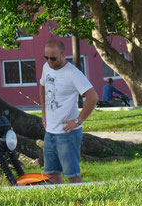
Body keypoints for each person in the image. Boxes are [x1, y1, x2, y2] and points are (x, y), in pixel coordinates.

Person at [39, 39, 99, 184]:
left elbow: (93, 97)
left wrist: (78, 120)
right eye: (46, 57)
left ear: (62, 54)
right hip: (50, 132)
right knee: (51, 174)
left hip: (67, 133)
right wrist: (44, 112)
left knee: (72, 175)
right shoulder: (46, 67)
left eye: (53, 58)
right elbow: (42, 85)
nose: (49, 61)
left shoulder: (73, 73)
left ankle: (81, 200)